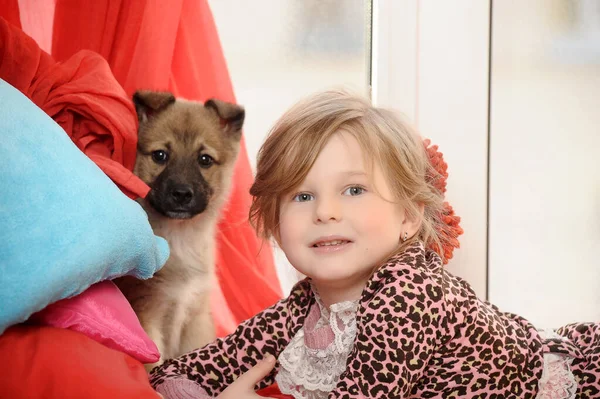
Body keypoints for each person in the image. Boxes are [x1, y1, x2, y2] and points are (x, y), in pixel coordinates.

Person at [149, 90, 599, 399]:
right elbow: (189, 369)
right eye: (302, 196)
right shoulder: (302, 308)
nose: (325, 212)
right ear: (273, 223)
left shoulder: (410, 293)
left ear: (408, 216)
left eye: (353, 190)